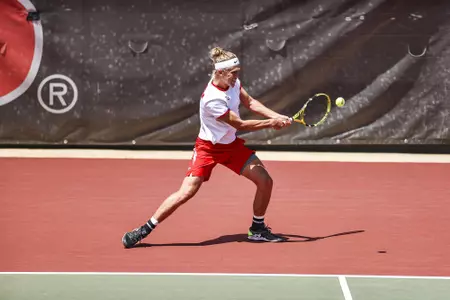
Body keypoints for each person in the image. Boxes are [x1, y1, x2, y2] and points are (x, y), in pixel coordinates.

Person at [122, 46, 292, 248]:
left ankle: (257, 229)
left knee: (265, 181)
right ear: (220, 72)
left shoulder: (233, 83)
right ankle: (144, 229)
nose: (237, 77)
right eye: (233, 73)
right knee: (186, 192)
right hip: (208, 149)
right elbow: (240, 124)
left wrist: (276, 116)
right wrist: (271, 123)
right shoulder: (213, 98)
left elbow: (250, 102)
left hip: (231, 147)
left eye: (237, 73)